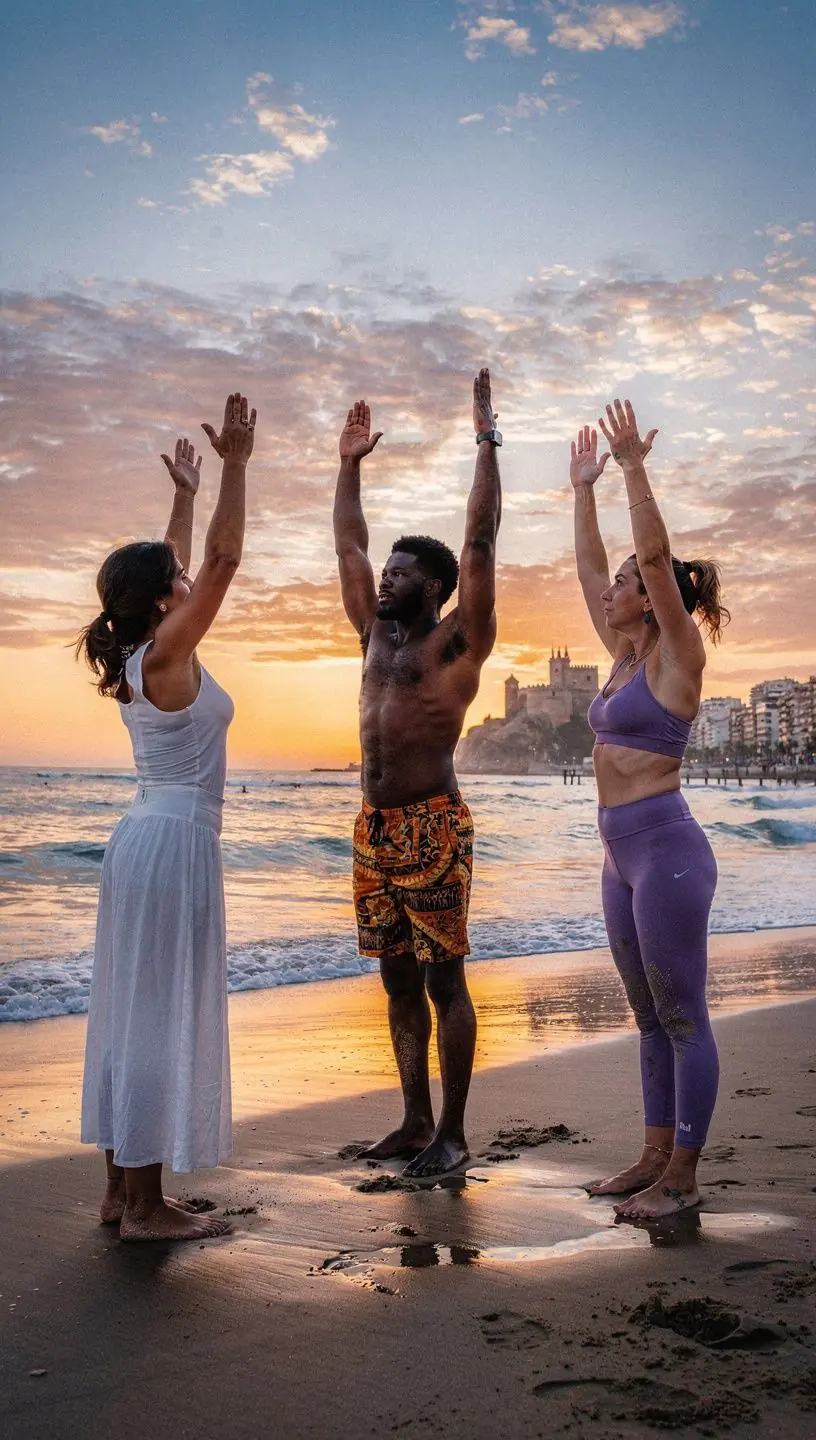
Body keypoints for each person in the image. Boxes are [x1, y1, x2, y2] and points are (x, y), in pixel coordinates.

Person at [77, 393, 256, 1241]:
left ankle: (120, 1192)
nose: (188, 585)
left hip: (145, 839)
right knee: (149, 1014)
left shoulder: (145, 651)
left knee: (131, 1007)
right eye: (174, 585)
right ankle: (145, 1208)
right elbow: (217, 560)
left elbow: (179, 559)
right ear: (162, 602)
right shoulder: (170, 650)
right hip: (173, 843)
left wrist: (183, 492)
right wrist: (235, 467)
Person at [333, 368, 502, 1178]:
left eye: (402, 572)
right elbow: (349, 545)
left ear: (432, 587)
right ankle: (412, 1119)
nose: (386, 577)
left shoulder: (456, 643)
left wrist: (485, 439)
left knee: (443, 982)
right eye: (387, 571)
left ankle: (455, 1135)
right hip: (374, 829)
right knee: (397, 978)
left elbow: (479, 540)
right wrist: (349, 465)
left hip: (434, 825)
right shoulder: (373, 635)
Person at [570, 399, 729, 1219]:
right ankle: (651, 1155)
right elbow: (591, 567)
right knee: (645, 1017)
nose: (612, 594)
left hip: (666, 852)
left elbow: (656, 561)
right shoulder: (623, 655)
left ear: (652, 598)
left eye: (626, 588)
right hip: (616, 854)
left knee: (680, 1011)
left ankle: (684, 1179)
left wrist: (634, 469)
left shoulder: (677, 655)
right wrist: (583, 489)